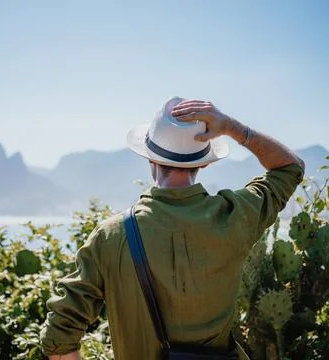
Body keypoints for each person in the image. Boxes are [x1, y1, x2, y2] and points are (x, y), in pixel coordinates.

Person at [40, 97, 305, 360]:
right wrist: (231, 127)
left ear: (150, 160)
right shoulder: (236, 216)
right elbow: (290, 167)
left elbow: (59, 335)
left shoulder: (111, 236)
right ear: (203, 163)